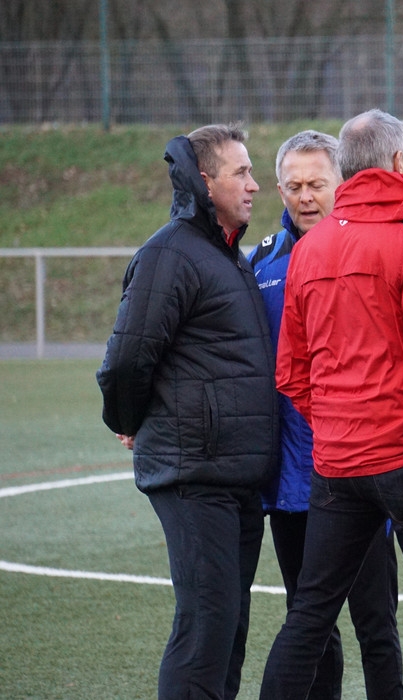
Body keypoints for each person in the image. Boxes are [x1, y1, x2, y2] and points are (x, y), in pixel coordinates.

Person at [258, 108, 403, 700]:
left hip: (337, 463)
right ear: (399, 161)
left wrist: (335, 421)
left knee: (309, 614)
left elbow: (291, 370)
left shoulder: (310, 249)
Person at [96, 123, 280, 700]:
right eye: (241, 173)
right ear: (205, 182)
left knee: (227, 630)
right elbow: (127, 359)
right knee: (205, 628)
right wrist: (127, 418)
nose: (253, 184)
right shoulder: (170, 254)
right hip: (194, 473)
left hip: (235, 477)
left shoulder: (226, 255)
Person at [247, 129, 402, 700]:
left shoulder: (371, 248)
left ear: (342, 182)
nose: (305, 196)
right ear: (279, 190)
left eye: (317, 183)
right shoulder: (259, 263)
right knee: (310, 622)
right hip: (292, 480)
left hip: (362, 468)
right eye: (294, 186)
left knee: (377, 625)